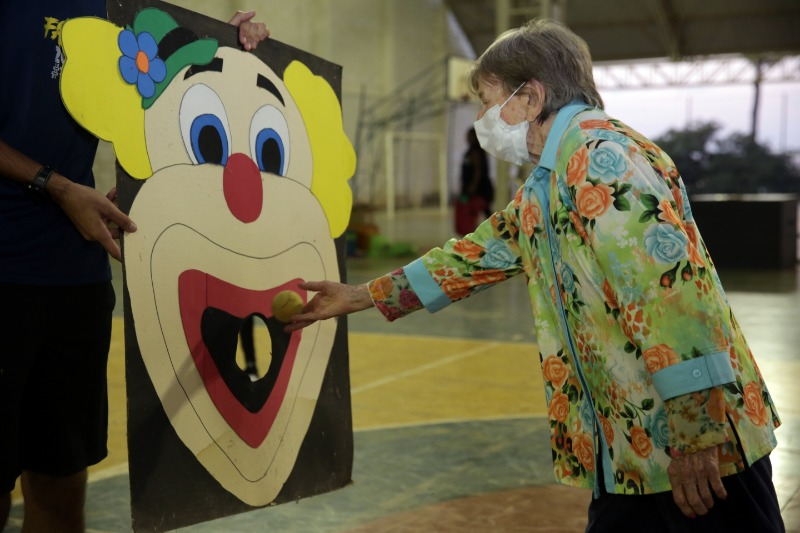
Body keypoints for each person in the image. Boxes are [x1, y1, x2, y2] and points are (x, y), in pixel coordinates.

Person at [285, 19, 785, 532]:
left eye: (486, 100)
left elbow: (673, 293)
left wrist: (697, 431)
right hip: (631, 446)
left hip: (694, 447)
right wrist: (362, 295)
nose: (481, 117)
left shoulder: (601, 159)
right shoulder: (548, 181)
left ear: (530, 97)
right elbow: (473, 257)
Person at [0, 3, 268, 531]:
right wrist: (55, 186)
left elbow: (174, 86)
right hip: (4, 273)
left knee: (60, 484)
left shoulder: (111, 11)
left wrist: (231, 44)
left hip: (75, 276)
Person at [460, 127, 494, 218]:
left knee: (479, 209)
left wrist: (473, 186)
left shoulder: (476, 151)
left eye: (469, 136)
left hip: (479, 189)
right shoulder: (473, 150)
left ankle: (497, 227)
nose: (467, 138)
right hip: (475, 187)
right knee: (480, 210)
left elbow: (477, 171)